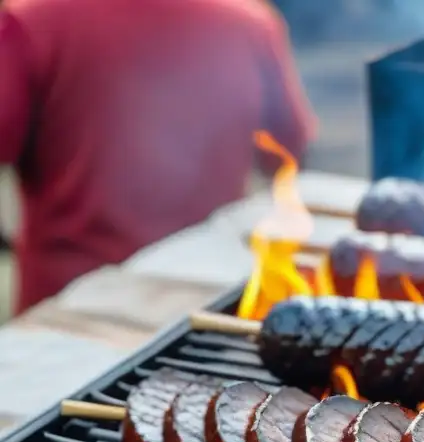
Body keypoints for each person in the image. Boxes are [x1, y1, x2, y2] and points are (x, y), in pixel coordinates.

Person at [0, 0, 316, 314]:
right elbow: (290, 156)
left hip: (64, 311)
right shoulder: (249, 21)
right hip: (201, 299)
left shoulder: (35, 17)